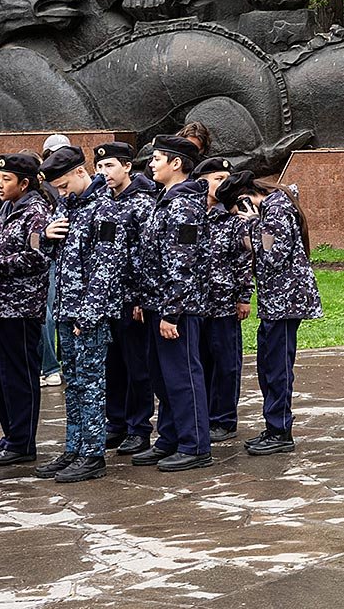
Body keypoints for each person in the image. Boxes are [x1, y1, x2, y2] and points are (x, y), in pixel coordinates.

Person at [223, 175, 322, 455]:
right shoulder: (270, 210)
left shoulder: (277, 210)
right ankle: (274, 426)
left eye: (237, 212)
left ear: (244, 199)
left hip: (286, 302)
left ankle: (280, 431)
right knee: (268, 364)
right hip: (276, 302)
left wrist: (254, 224)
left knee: (277, 367)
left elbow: (273, 256)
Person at [36, 146, 117, 484]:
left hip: (88, 315)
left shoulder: (103, 210)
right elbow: (55, 256)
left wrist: (89, 314)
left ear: (81, 173)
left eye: (65, 185)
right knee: (73, 383)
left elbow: (106, 268)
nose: (62, 192)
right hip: (67, 311)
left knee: (91, 383)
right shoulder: (69, 205)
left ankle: (93, 453)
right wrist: (46, 236)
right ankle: (74, 447)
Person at [140, 134, 215, 471]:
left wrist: (171, 311)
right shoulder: (166, 198)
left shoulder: (183, 205)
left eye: (157, 158)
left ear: (176, 164)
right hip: (160, 303)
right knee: (163, 377)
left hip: (178, 308)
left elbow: (182, 262)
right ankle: (170, 438)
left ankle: (195, 445)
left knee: (183, 376)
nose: (151, 164)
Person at [0, 152, 53, 468]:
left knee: (19, 376)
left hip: (22, 308)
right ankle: (11, 436)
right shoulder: (7, 208)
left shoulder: (35, 212)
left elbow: (38, 257)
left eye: (6, 179)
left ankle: (22, 441)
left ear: (24, 183)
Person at [93, 142, 160, 456]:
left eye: (110, 167)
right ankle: (116, 422)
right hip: (107, 297)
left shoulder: (143, 203)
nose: (104, 173)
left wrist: (139, 298)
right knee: (113, 364)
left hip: (132, 298)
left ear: (127, 167)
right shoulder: (103, 200)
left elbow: (148, 256)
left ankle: (138, 427)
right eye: (100, 167)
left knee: (137, 366)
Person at [194, 156, 250, 443]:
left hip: (224, 303)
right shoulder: (189, 215)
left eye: (225, 179)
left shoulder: (231, 219)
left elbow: (242, 259)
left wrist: (243, 297)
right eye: (217, 179)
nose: (223, 184)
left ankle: (224, 419)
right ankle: (202, 416)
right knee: (200, 362)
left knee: (226, 363)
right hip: (195, 305)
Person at [38, 134, 70, 388]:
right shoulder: (48, 186)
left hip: (58, 258)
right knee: (52, 312)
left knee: (53, 312)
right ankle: (53, 365)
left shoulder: (53, 186)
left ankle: (52, 366)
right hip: (52, 256)